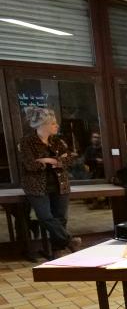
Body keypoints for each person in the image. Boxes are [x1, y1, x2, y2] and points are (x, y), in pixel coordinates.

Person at [19, 107, 81, 254]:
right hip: (36, 186)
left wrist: (48, 160)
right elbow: (30, 164)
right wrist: (58, 160)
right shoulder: (27, 142)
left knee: (60, 218)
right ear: (43, 124)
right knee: (45, 217)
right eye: (53, 123)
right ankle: (69, 241)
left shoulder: (57, 141)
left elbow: (70, 159)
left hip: (60, 184)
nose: (57, 126)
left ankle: (58, 251)